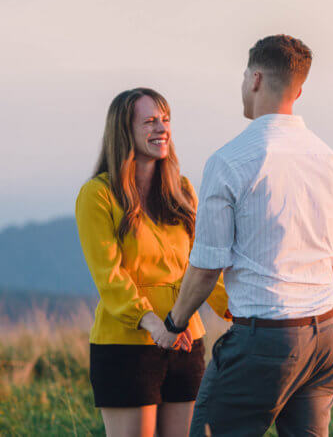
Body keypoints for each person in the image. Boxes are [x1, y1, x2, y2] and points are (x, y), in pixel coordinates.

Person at [157, 34, 333, 437]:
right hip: (327, 342)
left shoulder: (230, 161)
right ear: (298, 90)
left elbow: (206, 267)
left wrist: (174, 323)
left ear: (255, 78)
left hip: (263, 341)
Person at [75, 88, 229, 437]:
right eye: (149, 121)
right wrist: (154, 325)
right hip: (126, 344)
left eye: (165, 119)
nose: (161, 128)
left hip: (187, 342)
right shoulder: (97, 195)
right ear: (123, 130)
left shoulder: (183, 190)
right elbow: (109, 276)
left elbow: (201, 264)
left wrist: (239, 312)